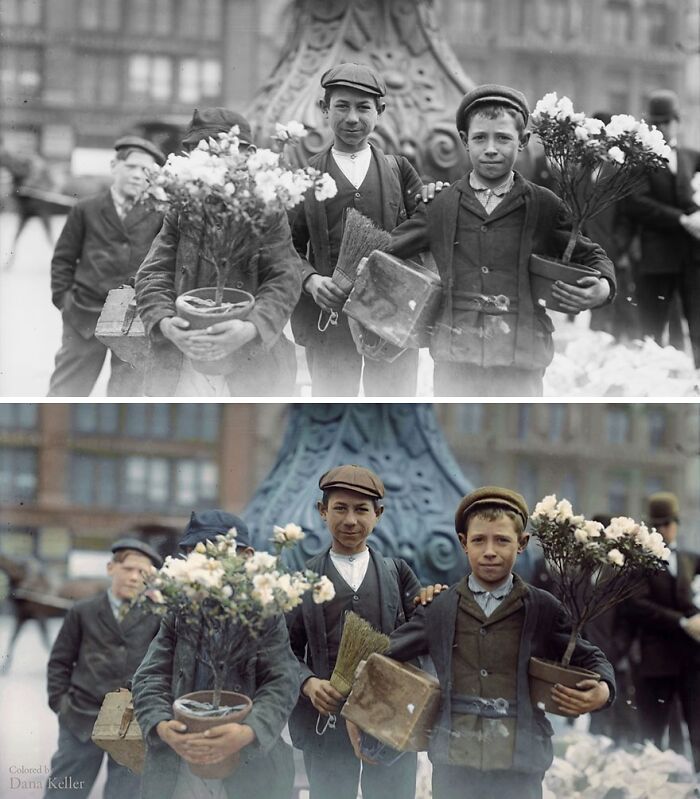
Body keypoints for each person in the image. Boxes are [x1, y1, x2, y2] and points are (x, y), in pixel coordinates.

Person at [386, 486, 616, 799]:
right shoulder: (438, 608)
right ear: (463, 543)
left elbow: (591, 658)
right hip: (455, 761)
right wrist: (361, 709)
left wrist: (603, 689)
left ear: (522, 544)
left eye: (502, 540)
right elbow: (385, 655)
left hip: (520, 763)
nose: (490, 551)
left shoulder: (543, 607)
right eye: (479, 540)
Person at [388, 84, 616, 396]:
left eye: (503, 138)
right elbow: (388, 253)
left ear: (522, 142)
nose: (491, 148)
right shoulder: (439, 205)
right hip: (456, 357)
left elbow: (592, 255)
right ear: (465, 141)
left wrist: (603, 286)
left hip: (521, 359)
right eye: (480, 137)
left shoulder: (544, 204)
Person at [286, 464, 444, 799]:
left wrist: (432, 601)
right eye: (340, 508)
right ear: (322, 510)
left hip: (389, 716)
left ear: (378, 514)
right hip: (327, 720)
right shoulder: (305, 579)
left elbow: (426, 631)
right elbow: (283, 649)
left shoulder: (397, 573)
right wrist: (309, 683)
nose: (350, 521)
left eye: (362, 510)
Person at [135, 107, 301, 397]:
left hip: (251, 362)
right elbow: (153, 273)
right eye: (200, 153)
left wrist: (250, 328)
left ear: (247, 154)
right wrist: (165, 324)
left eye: (217, 151)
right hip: (183, 358)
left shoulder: (267, 208)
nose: (208, 162)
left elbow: (285, 279)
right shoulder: (183, 206)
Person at [132, 510, 298, 799]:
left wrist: (248, 732)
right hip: (179, 762)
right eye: (194, 556)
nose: (202, 566)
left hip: (248, 766)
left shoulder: (264, 613)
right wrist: (161, 726)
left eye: (213, 554)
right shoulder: (181, 611)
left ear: (246, 556)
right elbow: (150, 676)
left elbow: (282, 681)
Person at [289, 63, 424, 396]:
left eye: (363, 107)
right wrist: (310, 280)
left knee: (392, 407)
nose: (352, 118)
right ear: (324, 109)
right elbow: (286, 246)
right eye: (341, 106)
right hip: (330, 318)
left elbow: (424, 227)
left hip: (389, 313)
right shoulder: (307, 176)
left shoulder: (399, 170)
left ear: (380, 112)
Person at [45, 538, 163, 799]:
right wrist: (61, 705)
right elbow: (59, 662)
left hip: (130, 723)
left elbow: (162, 669)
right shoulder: (83, 611)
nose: (134, 577)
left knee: (125, 793)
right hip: (81, 718)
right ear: (111, 568)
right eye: (128, 569)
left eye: (142, 572)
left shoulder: (157, 616)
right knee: (65, 790)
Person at [48, 136, 166, 397]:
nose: (137, 176)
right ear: (114, 166)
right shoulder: (86, 209)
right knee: (66, 392)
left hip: (134, 321)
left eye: (147, 171)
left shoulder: (160, 214)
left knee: (127, 397)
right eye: (131, 167)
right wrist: (65, 302)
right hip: (84, 316)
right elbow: (63, 260)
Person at [624, 491, 700, 772]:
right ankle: (651, 785)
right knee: (653, 731)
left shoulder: (691, 558)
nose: (664, 530)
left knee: (697, 727)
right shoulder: (640, 563)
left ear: (677, 523)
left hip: (692, 659)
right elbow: (637, 605)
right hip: (657, 660)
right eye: (658, 525)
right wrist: (681, 621)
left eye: (668, 523)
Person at [623, 90, 700, 363]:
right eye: (657, 123)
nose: (663, 128)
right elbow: (637, 202)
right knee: (653, 330)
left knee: (697, 324)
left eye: (667, 121)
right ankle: (654, 382)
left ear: (678, 121)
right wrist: (681, 219)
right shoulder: (640, 159)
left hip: (692, 257)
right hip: (657, 257)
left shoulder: (692, 156)